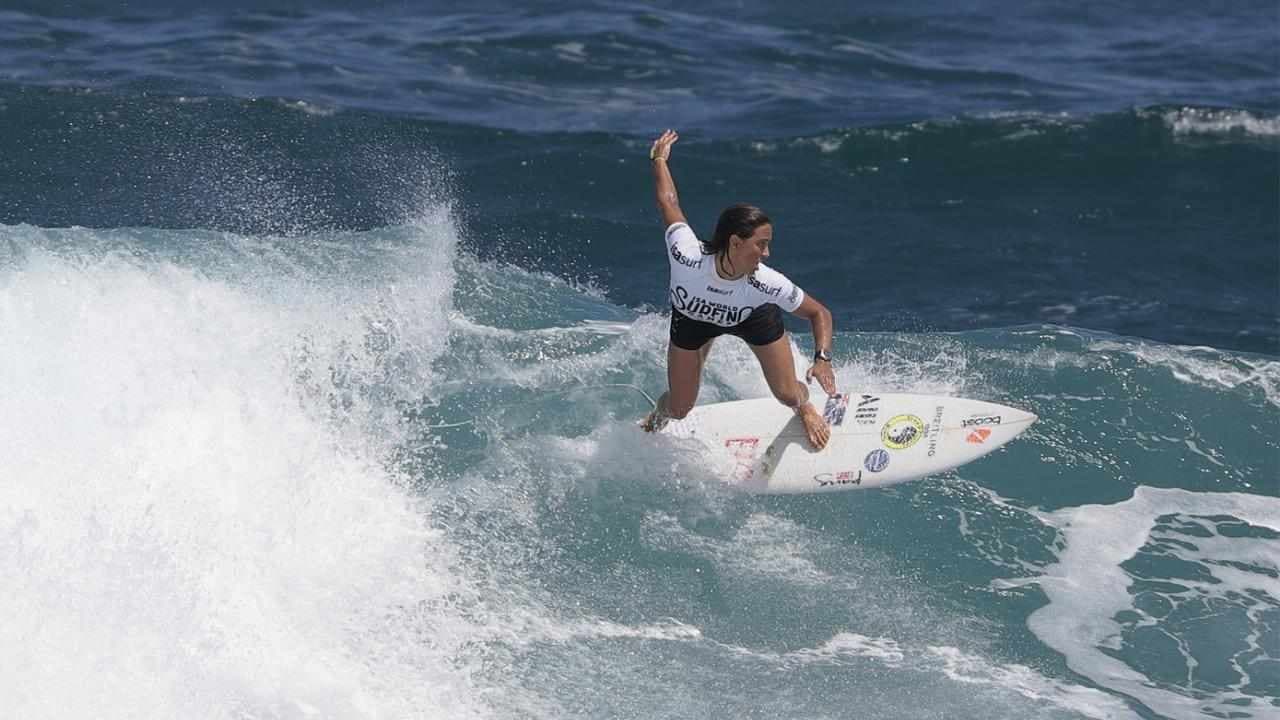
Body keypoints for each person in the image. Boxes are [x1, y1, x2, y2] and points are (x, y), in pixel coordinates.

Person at [642, 129, 837, 449]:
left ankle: (804, 406)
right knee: (678, 407)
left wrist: (823, 358)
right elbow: (668, 203)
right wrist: (659, 159)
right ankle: (656, 416)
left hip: (753, 317)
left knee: (787, 393)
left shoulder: (765, 282)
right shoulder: (687, 256)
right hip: (693, 321)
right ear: (735, 242)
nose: (767, 254)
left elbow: (818, 312)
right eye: (761, 245)